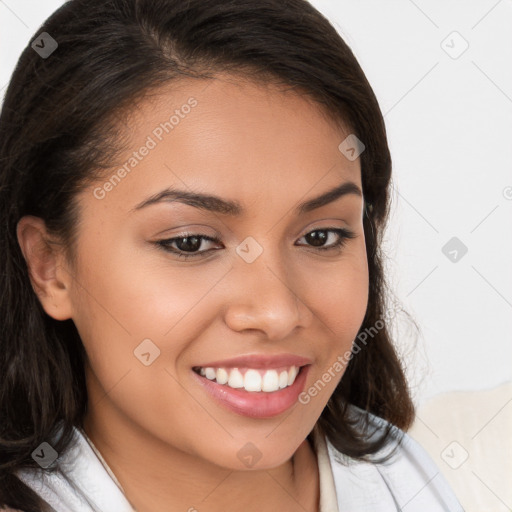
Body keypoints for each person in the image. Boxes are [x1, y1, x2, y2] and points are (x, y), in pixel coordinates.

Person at [0, 1, 464, 511]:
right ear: (50, 266)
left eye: (320, 237)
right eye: (190, 243)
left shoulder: (425, 474)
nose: (276, 312)